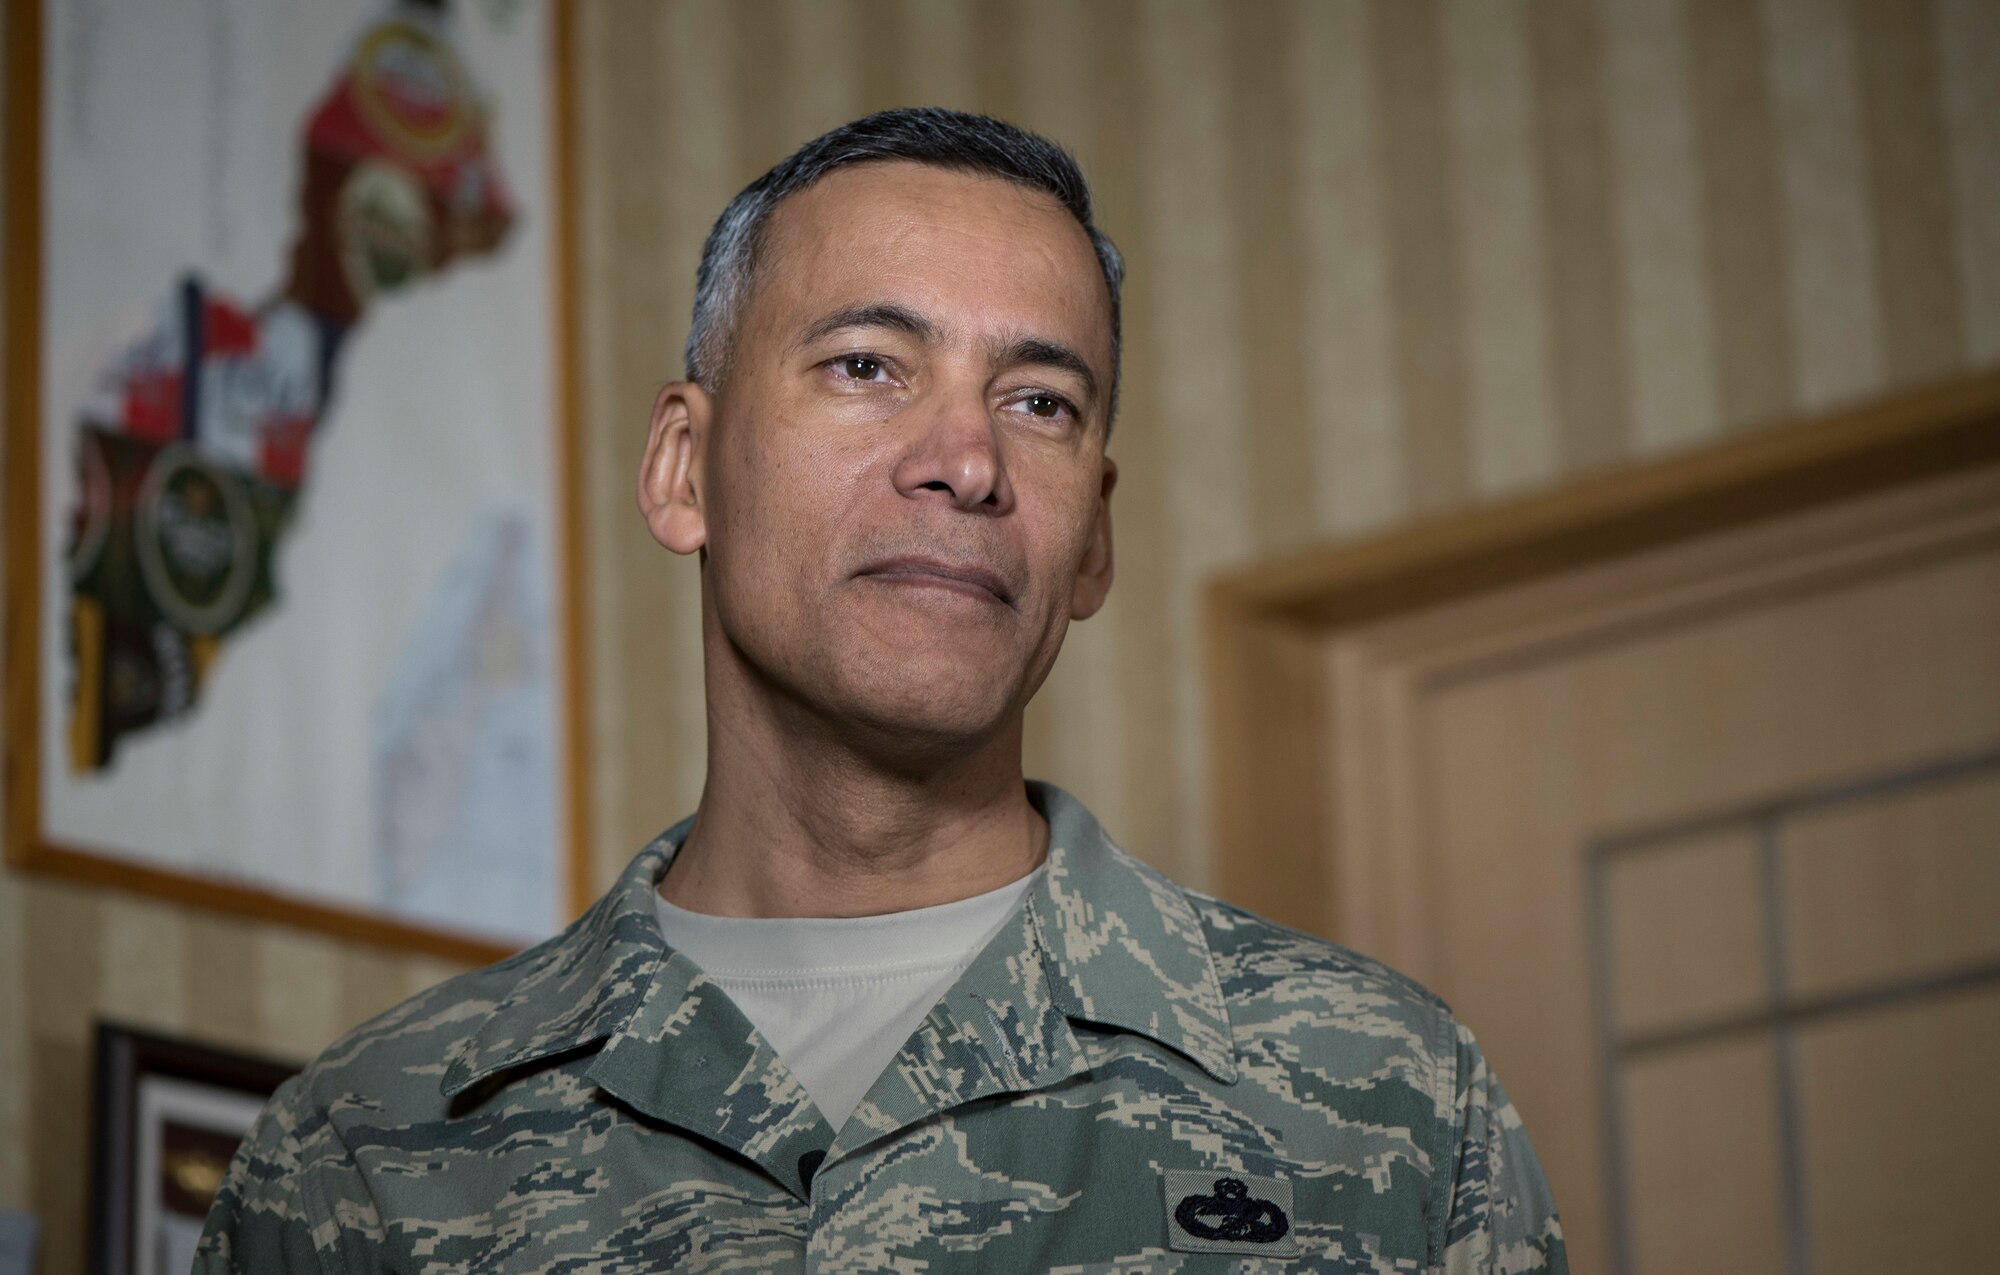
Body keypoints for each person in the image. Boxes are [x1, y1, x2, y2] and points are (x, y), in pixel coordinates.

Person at [198, 107, 1568, 1273]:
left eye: (1040, 402)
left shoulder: (1381, 1100)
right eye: (867, 367)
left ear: (1092, 538)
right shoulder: (367, 1152)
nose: (965, 460)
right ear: (685, 469)